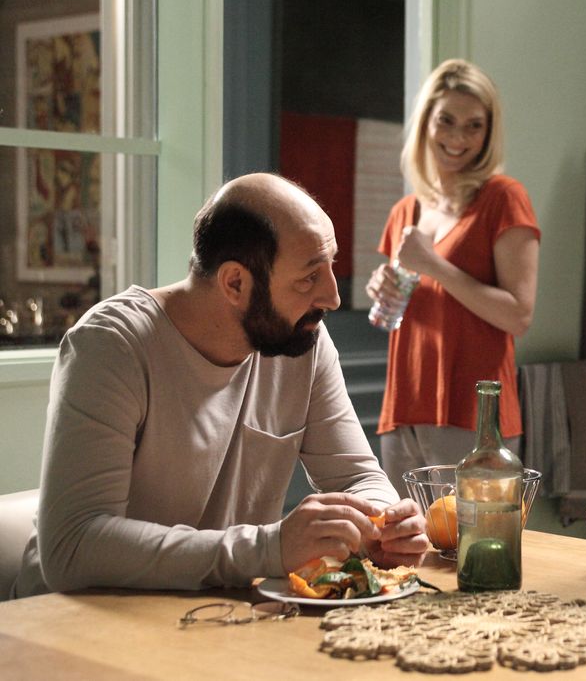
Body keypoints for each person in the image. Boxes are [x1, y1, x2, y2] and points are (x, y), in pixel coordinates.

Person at [12, 173, 429, 599]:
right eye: (308, 277)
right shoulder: (111, 345)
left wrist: (386, 522)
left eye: (331, 266)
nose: (333, 297)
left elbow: (357, 477)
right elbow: (73, 547)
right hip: (71, 617)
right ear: (235, 283)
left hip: (207, 613)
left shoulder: (302, 342)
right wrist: (267, 549)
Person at [366, 59, 540, 489]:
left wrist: (434, 266)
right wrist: (380, 286)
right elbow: (415, 307)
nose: (458, 138)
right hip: (403, 409)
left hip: (474, 419)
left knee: (472, 535)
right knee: (402, 532)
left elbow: (519, 315)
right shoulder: (405, 211)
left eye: (473, 126)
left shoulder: (503, 198)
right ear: (426, 121)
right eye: (446, 120)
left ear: (488, 132)